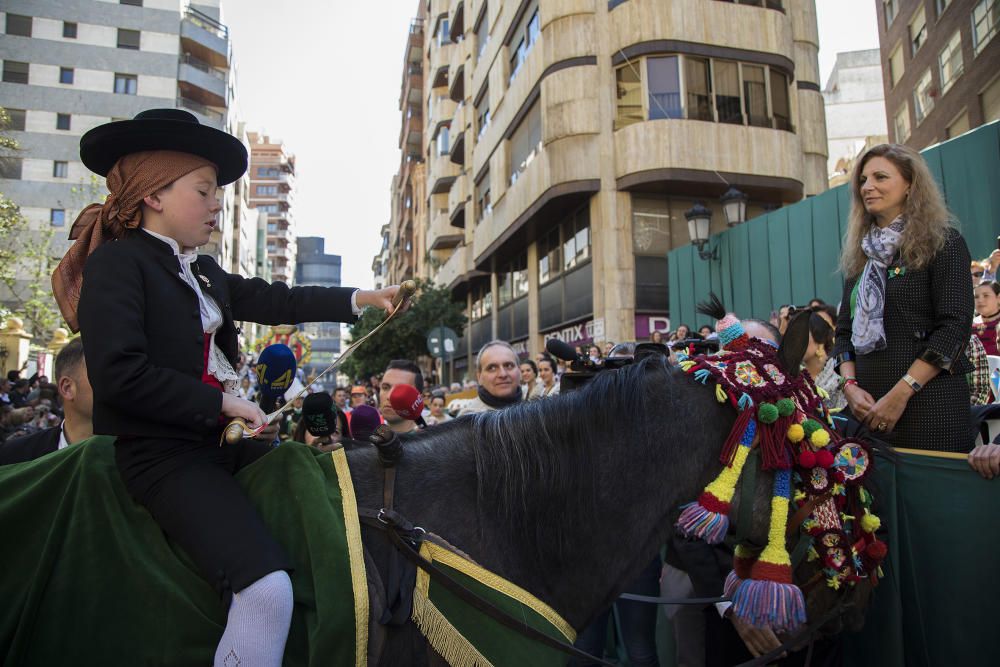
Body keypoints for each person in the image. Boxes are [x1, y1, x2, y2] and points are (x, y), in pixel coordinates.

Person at [60, 108, 403, 667]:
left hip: (223, 450)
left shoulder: (204, 271)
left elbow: (281, 300)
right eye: (204, 190)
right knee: (267, 591)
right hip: (164, 460)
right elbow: (120, 378)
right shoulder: (119, 266)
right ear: (153, 195)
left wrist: (362, 299)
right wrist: (223, 401)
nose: (217, 203)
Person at [833, 143, 973, 452]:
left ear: (910, 184)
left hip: (932, 410)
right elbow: (843, 334)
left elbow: (954, 328)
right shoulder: (861, 257)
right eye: (863, 180)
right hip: (867, 414)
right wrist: (850, 388)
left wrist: (901, 393)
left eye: (880, 177)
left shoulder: (944, 242)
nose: (867, 187)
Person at [0, 339, 94, 464]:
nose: (122, 384)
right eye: (106, 374)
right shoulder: (16, 456)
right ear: (67, 388)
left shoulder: (127, 461)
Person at [456, 340, 523, 417]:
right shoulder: (469, 420)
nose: (503, 374)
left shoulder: (533, 411)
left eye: (509, 366)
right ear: (479, 377)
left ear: (519, 371)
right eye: (492, 368)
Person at [377, 359, 423, 434]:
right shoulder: (373, 440)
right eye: (385, 388)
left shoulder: (431, 441)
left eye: (401, 391)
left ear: (419, 399)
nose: (389, 397)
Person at [972, 281, 1000, 356]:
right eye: (976, 297)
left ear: (998, 298)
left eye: (986, 295)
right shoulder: (969, 324)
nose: (980, 300)